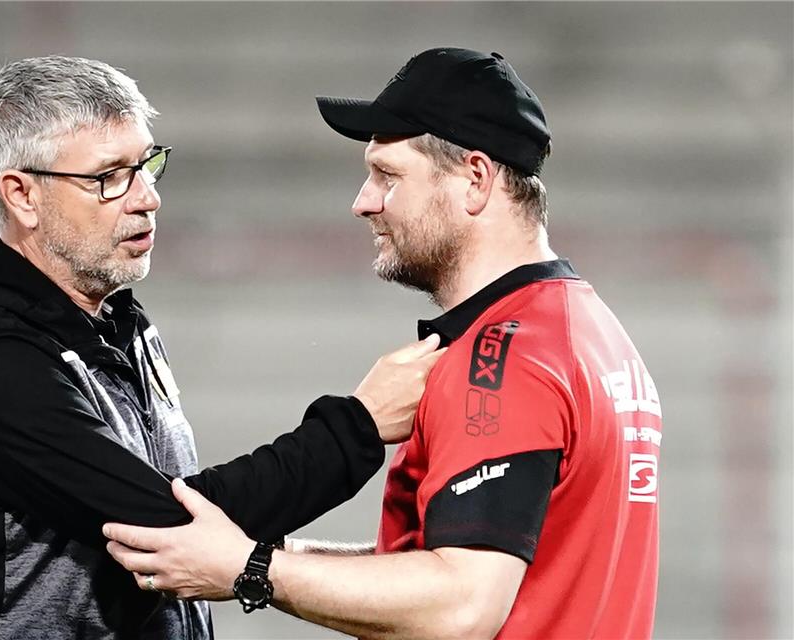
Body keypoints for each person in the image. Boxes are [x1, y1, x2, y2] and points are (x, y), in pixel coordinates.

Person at [104, 47, 663, 639]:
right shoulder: (592, 332)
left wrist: (250, 569)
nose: (363, 202)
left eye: (387, 176)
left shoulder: (504, 354)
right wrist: (251, 551)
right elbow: (458, 566)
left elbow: (461, 606)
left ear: (475, 178)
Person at [0, 55, 444, 640]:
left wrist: (394, 574)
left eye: (147, 165)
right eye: (108, 177)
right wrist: (357, 427)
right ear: (22, 196)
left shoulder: (116, 323)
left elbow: (199, 531)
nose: (147, 197)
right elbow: (171, 529)